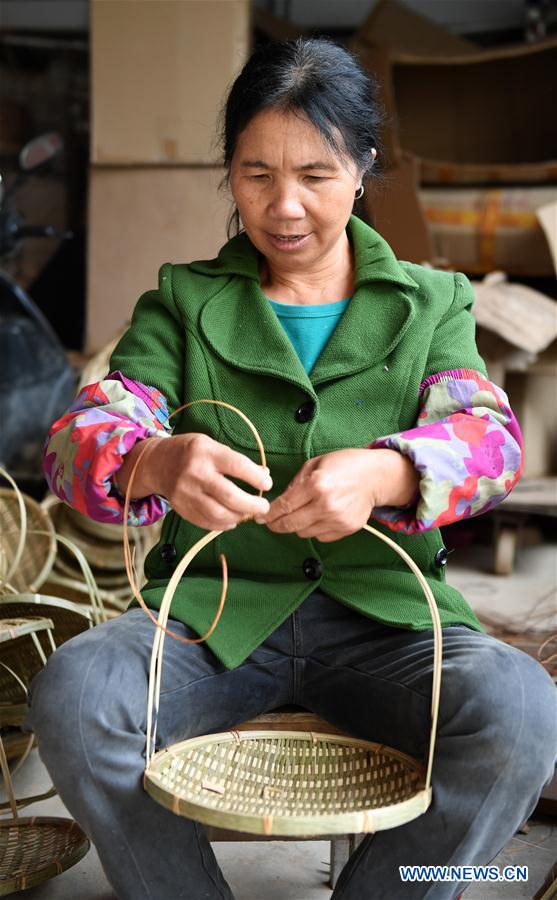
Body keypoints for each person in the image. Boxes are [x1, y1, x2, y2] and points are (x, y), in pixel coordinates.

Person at [25, 38, 555, 900]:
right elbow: (76, 440)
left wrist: (385, 475)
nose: (285, 206)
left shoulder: (431, 304)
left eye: (315, 173)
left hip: (391, 628)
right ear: (228, 173)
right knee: (76, 698)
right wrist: (156, 458)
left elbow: (488, 442)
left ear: (362, 169)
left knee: (520, 712)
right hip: (209, 621)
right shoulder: (184, 303)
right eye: (255, 173)